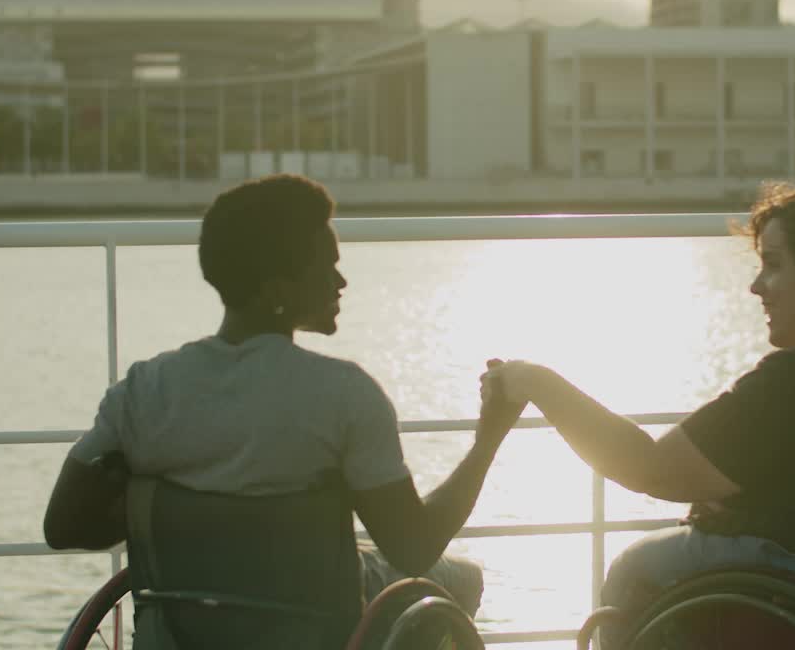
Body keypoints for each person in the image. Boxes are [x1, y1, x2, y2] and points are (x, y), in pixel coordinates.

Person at [482, 183, 795, 638]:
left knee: (639, 568)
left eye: (774, 265)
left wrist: (538, 382)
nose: (757, 287)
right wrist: (752, 511)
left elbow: (651, 469)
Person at [43, 175, 522, 636]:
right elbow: (414, 546)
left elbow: (63, 526)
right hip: (311, 629)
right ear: (277, 291)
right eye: (326, 266)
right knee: (462, 577)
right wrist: (488, 439)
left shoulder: (142, 393)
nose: (341, 282)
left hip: (185, 628)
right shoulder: (345, 396)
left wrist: (181, 524)